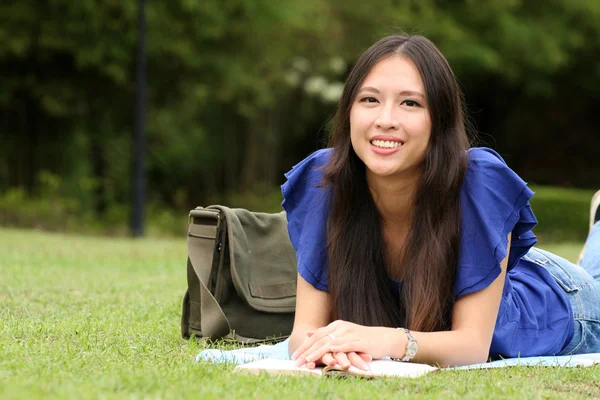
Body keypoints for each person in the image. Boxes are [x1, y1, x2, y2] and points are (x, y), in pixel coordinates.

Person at [281, 34, 600, 369]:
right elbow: (303, 333)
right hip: (497, 271)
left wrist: (386, 340)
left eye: (410, 103)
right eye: (370, 100)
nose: (386, 119)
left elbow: (473, 347)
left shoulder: (477, 181)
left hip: (562, 303)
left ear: (440, 121)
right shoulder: (324, 180)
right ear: (348, 112)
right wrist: (328, 349)